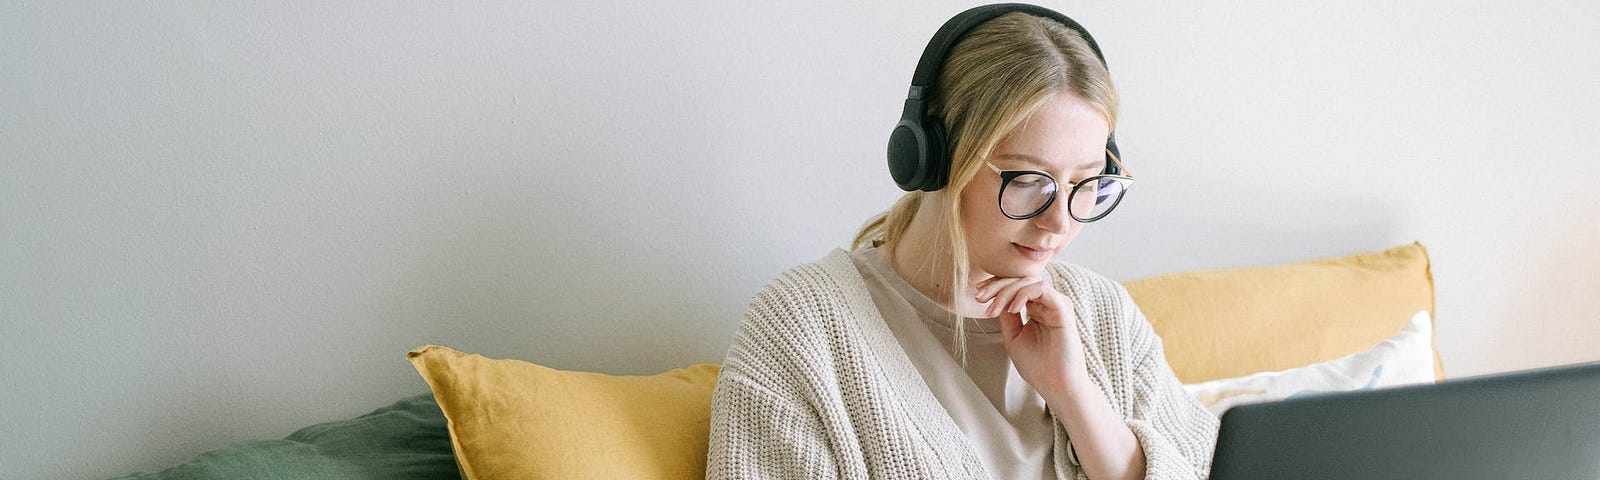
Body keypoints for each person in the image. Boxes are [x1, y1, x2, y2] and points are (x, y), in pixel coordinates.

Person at [707, 4, 1219, 479]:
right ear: (936, 159)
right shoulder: (801, 330)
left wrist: (1074, 395)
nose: (1060, 224)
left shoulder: (1103, 314)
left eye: (1086, 183)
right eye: (1027, 180)